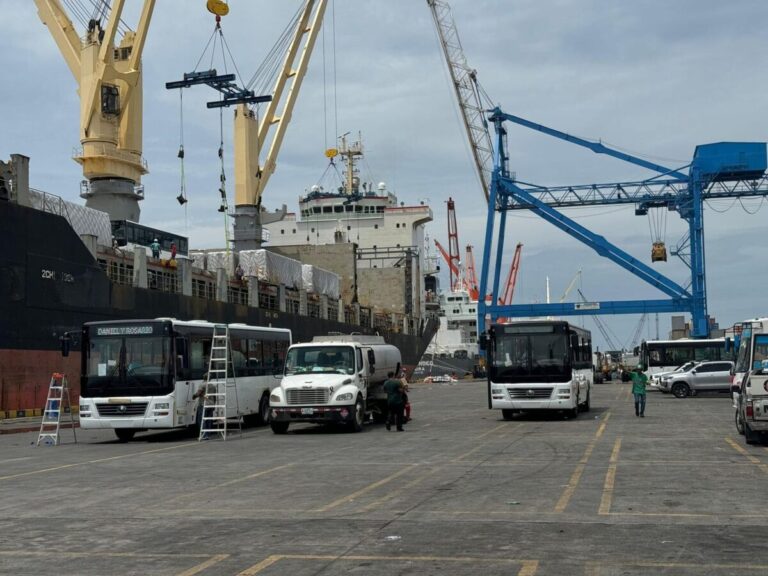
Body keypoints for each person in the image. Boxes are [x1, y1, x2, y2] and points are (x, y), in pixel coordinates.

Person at [193, 373, 217, 439]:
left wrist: (194, 396)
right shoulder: (213, 386)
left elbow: (199, 393)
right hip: (211, 404)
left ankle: (203, 435)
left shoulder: (202, 384)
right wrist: (214, 405)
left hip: (203, 404)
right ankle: (208, 435)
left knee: (201, 420)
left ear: (203, 378)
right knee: (209, 420)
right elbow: (214, 397)